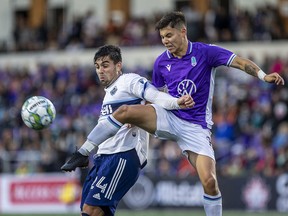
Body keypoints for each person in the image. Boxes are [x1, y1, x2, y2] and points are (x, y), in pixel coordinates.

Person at [62, 12, 285, 216]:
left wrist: (263, 75)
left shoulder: (205, 52)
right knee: (125, 111)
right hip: (170, 116)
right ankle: (83, 152)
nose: (165, 41)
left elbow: (240, 62)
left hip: (196, 127)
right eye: (162, 37)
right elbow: (154, 94)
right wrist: (137, 116)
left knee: (209, 181)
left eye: (169, 35)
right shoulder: (161, 62)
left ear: (183, 31)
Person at [61, 44, 194, 216]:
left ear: (118, 66)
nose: (101, 70)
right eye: (97, 67)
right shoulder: (109, 93)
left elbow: (154, 94)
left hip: (122, 155)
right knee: (89, 211)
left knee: (91, 210)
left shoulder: (128, 81)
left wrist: (175, 102)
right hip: (103, 158)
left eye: (105, 65)